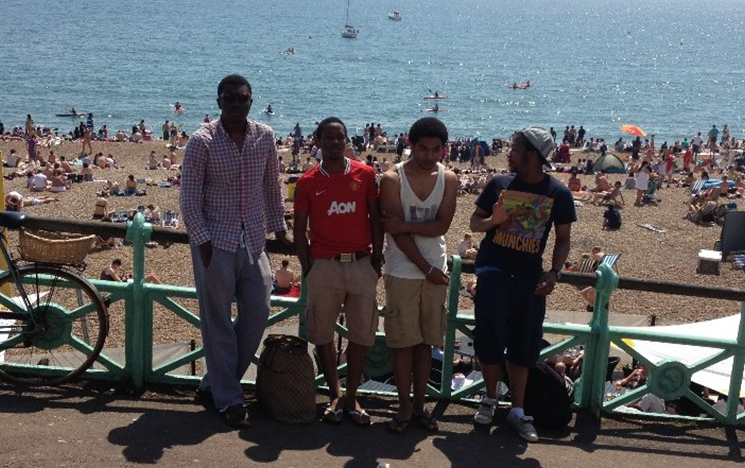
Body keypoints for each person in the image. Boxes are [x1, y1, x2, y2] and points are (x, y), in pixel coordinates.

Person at [180, 74, 289, 429]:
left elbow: (272, 186)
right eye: (230, 99)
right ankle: (229, 399)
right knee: (216, 322)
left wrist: (280, 229)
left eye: (242, 99)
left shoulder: (264, 137)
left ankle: (214, 383)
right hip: (216, 242)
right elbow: (189, 198)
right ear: (219, 102)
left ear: (251, 101)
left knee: (258, 310)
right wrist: (203, 243)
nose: (236, 104)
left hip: (254, 239)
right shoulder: (202, 141)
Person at [468, 126, 576, 442]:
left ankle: (517, 410)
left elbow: (564, 238)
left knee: (524, 344)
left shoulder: (558, 193)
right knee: (489, 337)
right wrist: (496, 220)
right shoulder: (498, 184)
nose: (509, 154)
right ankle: (490, 398)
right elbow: (475, 223)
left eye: (514, 148)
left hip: (530, 279)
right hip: (493, 273)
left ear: (531, 154)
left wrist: (554, 272)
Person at [293, 117, 383, 427]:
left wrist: (376, 260)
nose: (334, 142)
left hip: (360, 264)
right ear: (316, 140)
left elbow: (376, 219)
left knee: (362, 334)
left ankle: (352, 396)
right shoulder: (306, 181)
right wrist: (309, 268)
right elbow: (299, 230)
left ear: (347, 141)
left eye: (339, 137)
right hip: (324, 266)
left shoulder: (366, 175)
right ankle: (334, 393)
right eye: (328, 137)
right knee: (322, 333)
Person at [378, 117, 458, 433]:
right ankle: (403, 408)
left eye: (435, 149)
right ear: (410, 145)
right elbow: (393, 233)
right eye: (422, 148)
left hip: (435, 270)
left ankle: (420, 408)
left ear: (443, 149)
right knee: (402, 343)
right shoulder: (392, 178)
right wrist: (426, 268)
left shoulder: (448, 179)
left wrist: (406, 225)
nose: (428, 155)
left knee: (426, 343)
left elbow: (443, 226)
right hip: (404, 271)